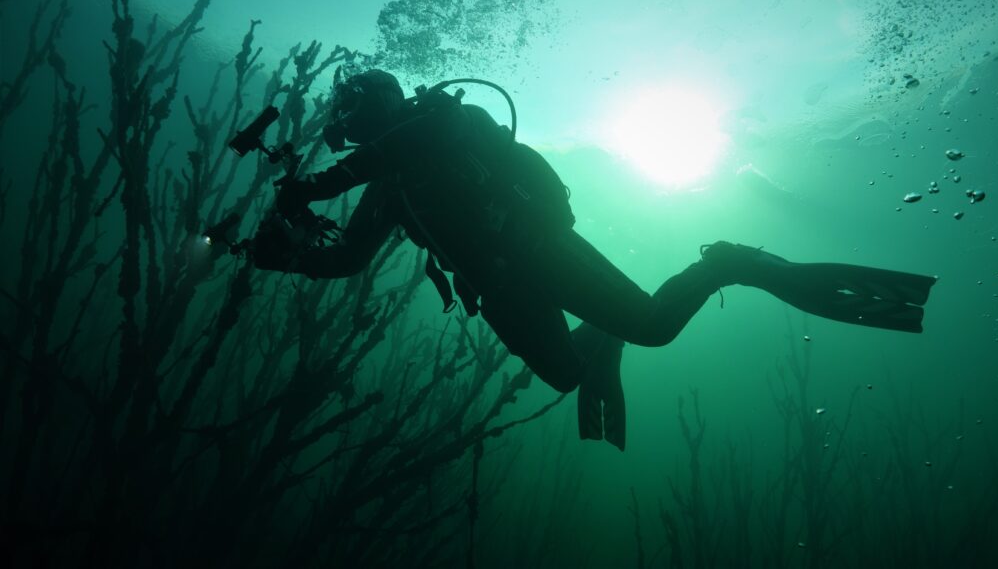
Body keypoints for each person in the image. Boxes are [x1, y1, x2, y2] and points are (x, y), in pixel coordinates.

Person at [251, 69, 938, 451]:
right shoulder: (386, 186)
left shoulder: (442, 120)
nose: (344, 122)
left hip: (539, 248)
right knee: (563, 373)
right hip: (499, 289)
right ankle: (602, 338)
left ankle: (726, 262)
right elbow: (349, 258)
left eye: (350, 108)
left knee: (654, 326)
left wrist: (318, 183)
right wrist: (288, 257)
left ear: (377, 104)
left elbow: (404, 144)